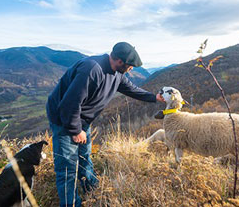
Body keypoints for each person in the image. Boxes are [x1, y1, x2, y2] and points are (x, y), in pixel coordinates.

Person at [46, 42, 164, 207]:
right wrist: (75, 129)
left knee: (84, 157)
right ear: (120, 61)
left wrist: (154, 98)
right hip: (64, 118)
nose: (132, 69)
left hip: (82, 120)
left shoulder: (116, 73)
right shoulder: (91, 69)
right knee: (67, 168)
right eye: (131, 66)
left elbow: (131, 89)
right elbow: (69, 104)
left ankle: (93, 191)